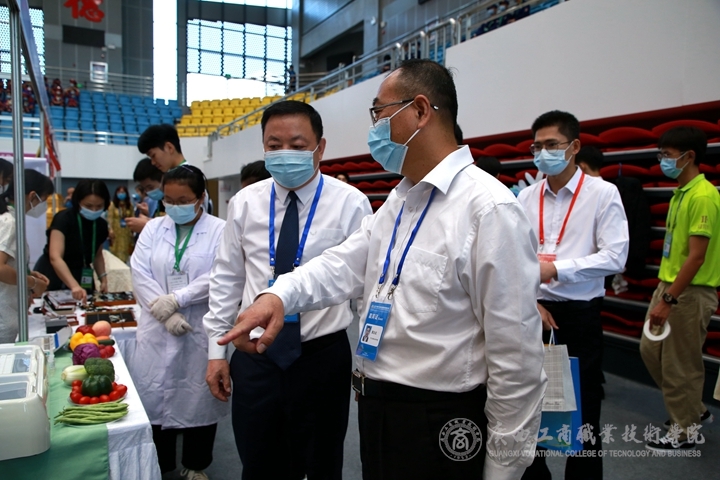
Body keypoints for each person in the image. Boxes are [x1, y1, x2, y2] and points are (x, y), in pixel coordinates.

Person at [217, 60, 546, 479]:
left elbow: (516, 360)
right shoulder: (401, 199)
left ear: (420, 110)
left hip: (440, 416)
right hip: (380, 408)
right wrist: (278, 295)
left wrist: (504, 469)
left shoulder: (488, 210)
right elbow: (342, 264)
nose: (374, 127)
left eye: (379, 112)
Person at [203, 100, 372, 480]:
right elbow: (227, 279)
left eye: (297, 145)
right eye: (274, 145)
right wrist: (216, 352)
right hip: (255, 354)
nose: (285, 154)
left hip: (321, 357)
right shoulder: (245, 202)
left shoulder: (350, 203)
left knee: (322, 462)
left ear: (320, 148)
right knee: (259, 462)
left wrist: (367, 365)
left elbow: (364, 290)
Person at [517, 110, 629, 480]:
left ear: (574, 146)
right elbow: (512, 257)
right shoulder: (526, 197)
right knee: (529, 409)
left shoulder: (602, 193)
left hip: (579, 314)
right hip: (532, 312)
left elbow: (615, 256)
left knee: (583, 415)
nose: (542, 153)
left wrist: (557, 270)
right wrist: (531, 299)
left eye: (551, 145)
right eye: (537, 146)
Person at [129, 164, 228, 480]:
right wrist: (166, 312)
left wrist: (177, 299)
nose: (174, 207)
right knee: (155, 395)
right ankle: (161, 465)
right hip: (157, 325)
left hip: (199, 326)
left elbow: (220, 275)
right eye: (169, 201)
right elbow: (139, 272)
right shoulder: (153, 229)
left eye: (183, 200)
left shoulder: (221, 230)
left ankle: (196, 464)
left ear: (200, 198)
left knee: (197, 396)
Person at [640, 126, 719, 451]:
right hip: (669, 285)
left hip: (688, 293)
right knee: (650, 351)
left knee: (680, 363)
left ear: (690, 156)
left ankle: (685, 431)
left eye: (668, 155)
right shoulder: (681, 193)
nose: (663, 160)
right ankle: (693, 408)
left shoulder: (703, 196)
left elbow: (697, 257)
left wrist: (669, 299)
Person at [576, 145, 651, 278]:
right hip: (592, 264)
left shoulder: (602, 192)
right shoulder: (611, 191)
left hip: (589, 264)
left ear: (582, 167)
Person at [34, 179, 111, 303]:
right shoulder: (63, 219)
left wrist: (103, 278)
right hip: (55, 274)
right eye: (89, 206)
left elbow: (97, 254)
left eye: (99, 206)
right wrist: (74, 285)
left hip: (82, 274)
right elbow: (55, 257)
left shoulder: (101, 224)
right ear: (78, 201)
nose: (94, 210)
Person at [0, 169, 53, 343]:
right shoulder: (9, 222)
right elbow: (0, 268)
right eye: (43, 200)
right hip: (4, 316)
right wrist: (32, 282)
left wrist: (28, 274)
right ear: (32, 196)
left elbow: (10, 262)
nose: (43, 206)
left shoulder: (10, 218)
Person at [138, 125, 212, 214]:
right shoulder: (170, 177)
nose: (153, 162)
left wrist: (149, 221)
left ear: (169, 148)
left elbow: (195, 219)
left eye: (153, 155)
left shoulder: (191, 178)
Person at [126, 158, 165, 234]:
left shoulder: (175, 202)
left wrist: (147, 225)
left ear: (162, 179)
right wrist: (146, 215)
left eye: (150, 187)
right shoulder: (159, 201)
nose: (148, 192)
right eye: (145, 189)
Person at [107, 186, 134, 262]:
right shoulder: (112, 204)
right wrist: (110, 229)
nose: (121, 194)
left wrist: (132, 230)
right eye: (119, 192)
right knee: (115, 248)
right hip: (116, 230)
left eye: (123, 192)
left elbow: (132, 217)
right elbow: (110, 218)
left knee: (125, 249)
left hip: (126, 231)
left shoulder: (129, 205)